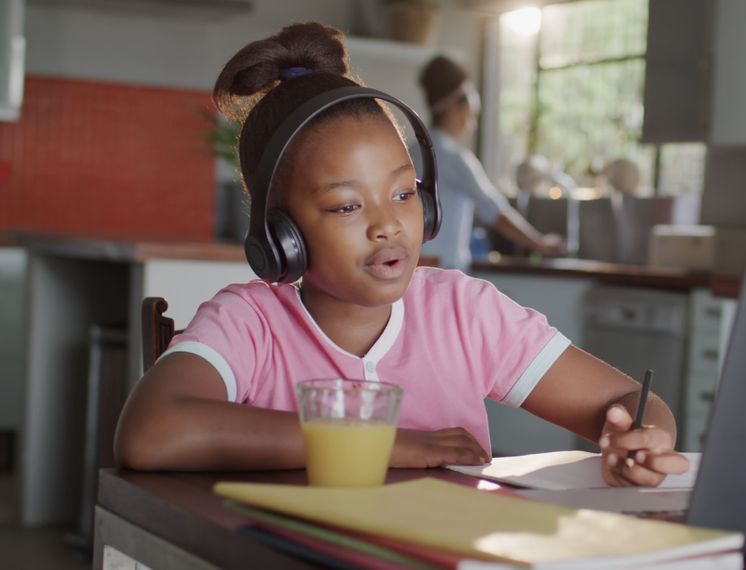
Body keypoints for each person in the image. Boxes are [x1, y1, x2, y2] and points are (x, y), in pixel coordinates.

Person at [113, 22, 688, 488]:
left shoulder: (464, 313)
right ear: (281, 234)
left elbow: (626, 401)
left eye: (404, 193)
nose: (388, 224)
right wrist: (383, 442)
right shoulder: (249, 324)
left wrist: (638, 437)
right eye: (344, 206)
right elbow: (150, 433)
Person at [412, 55, 565, 271]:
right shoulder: (454, 158)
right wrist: (540, 244)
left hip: (412, 269)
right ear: (456, 108)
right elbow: (495, 211)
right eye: (472, 114)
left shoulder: (410, 150)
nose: (472, 124)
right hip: (441, 271)